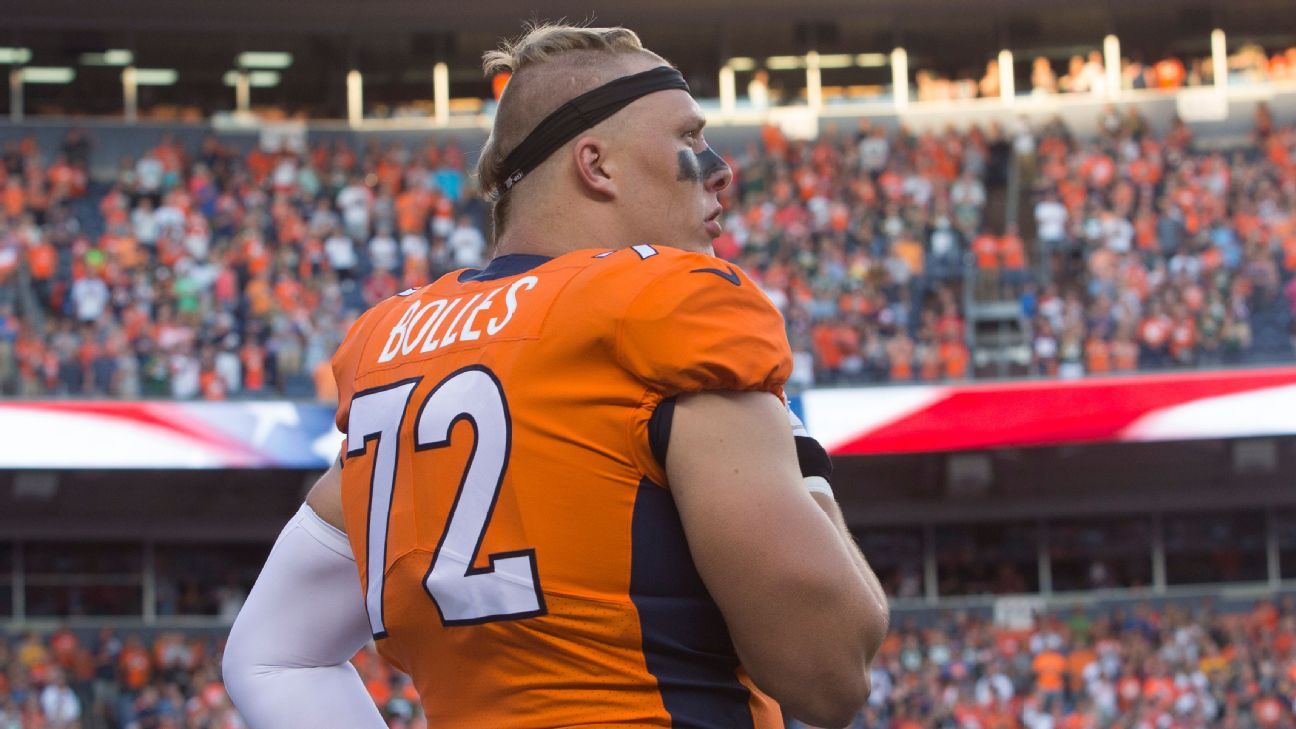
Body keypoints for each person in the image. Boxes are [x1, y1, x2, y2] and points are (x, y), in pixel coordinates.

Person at [224, 23, 889, 729]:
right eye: (688, 142)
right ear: (596, 165)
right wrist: (801, 458)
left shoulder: (397, 346)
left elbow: (268, 656)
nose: (718, 168)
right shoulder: (669, 305)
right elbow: (829, 673)